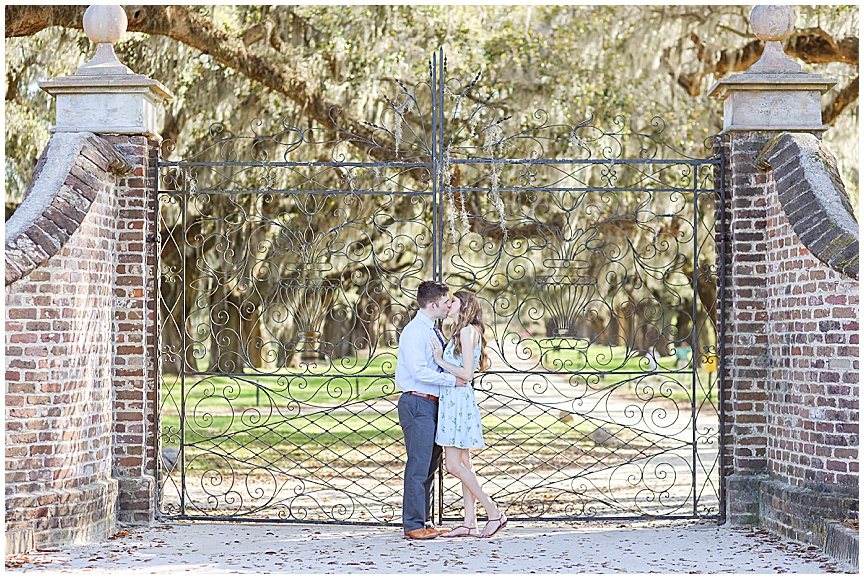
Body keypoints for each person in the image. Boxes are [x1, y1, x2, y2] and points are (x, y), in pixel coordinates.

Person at [430, 290, 507, 538]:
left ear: (465, 306)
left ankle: (494, 513)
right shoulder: (463, 331)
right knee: (464, 465)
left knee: (453, 465)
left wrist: (440, 360)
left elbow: (467, 373)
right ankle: (469, 523)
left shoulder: (466, 331)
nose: (449, 304)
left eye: (453, 301)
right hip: (455, 400)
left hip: (458, 403)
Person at [396, 280, 468, 540]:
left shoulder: (432, 330)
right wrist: (453, 380)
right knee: (418, 464)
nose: (449, 304)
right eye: (446, 301)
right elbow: (418, 371)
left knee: (429, 465)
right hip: (417, 402)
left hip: (433, 403)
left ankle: (424, 522)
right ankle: (413, 525)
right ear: (433, 304)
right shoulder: (415, 332)